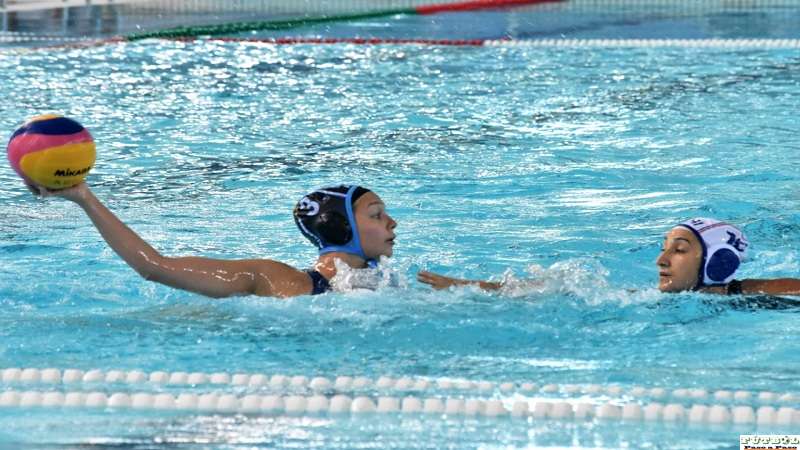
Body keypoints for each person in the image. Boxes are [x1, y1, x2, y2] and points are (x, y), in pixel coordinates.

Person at [30, 182, 397, 298]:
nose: (392, 223)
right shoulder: (278, 280)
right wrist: (84, 198)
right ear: (341, 228)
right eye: (377, 214)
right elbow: (153, 267)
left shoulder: (382, 279)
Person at [418, 218, 800, 297]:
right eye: (664, 246)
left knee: (765, 443)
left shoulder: (755, 291)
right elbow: (559, 290)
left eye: (679, 250)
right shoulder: (647, 299)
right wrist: (470, 287)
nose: (661, 259)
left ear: (718, 264)